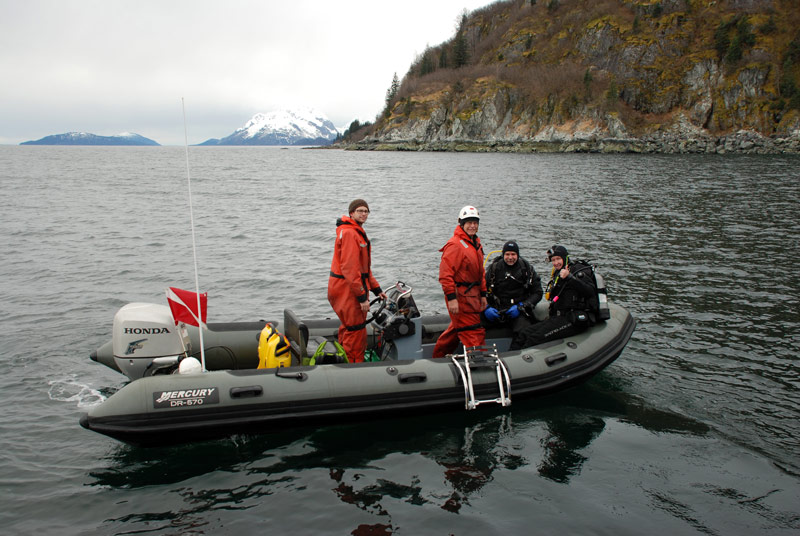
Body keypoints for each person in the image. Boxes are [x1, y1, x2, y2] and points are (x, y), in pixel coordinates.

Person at [328, 199, 386, 363]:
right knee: (356, 330)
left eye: (366, 211)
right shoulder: (350, 233)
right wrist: (362, 298)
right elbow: (350, 269)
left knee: (348, 327)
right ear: (351, 213)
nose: (363, 214)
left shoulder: (353, 231)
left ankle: (344, 360)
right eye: (360, 210)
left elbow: (364, 269)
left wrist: (376, 289)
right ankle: (354, 367)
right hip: (347, 290)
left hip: (344, 288)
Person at [509, 245, 596, 350]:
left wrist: (570, 278)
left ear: (565, 258)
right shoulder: (557, 273)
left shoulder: (577, 271)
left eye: (558, 259)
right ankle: (508, 357)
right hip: (558, 317)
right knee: (524, 333)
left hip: (572, 318)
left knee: (534, 339)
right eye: (553, 260)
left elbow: (590, 291)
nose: (556, 263)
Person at [432, 205, 488, 358]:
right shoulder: (455, 245)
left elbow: (480, 273)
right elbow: (445, 275)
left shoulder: (475, 243)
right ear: (461, 224)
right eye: (469, 222)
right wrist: (452, 299)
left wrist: (483, 294)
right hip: (461, 298)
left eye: (475, 222)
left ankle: (438, 358)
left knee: (455, 331)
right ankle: (479, 363)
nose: (472, 226)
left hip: (473, 297)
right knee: (473, 332)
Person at [483, 240, 542, 336]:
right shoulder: (494, 269)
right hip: (497, 308)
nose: (510, 258)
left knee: (524, 332)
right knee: (474, 325)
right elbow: (480, 291)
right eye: (507, 254)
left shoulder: (527, 270)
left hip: (518, 309)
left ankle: (517, 349)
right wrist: (486, 308)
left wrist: (522, 306)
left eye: (513, 254)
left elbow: (538, 293)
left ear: (517, 255)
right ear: (503, 255)